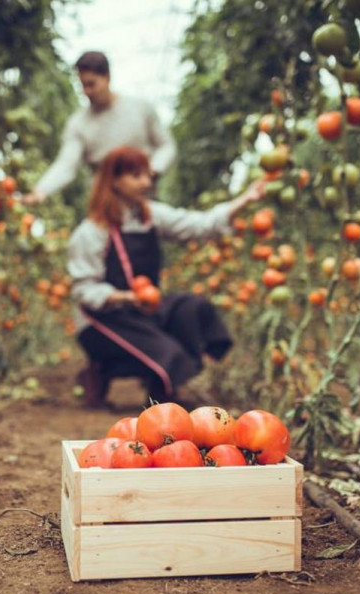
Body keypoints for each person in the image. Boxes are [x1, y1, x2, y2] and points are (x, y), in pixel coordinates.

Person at [67, 145, 266, 408]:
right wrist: (125, 297)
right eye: (136, 176)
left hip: (142, 309)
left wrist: (245, 200)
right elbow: (83, 290)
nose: (146, 182)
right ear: (113, 180)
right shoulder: (91, 232)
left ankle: (160, 389)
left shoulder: (150, 215)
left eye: (148, 175)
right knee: (166, 353)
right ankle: (101, 370)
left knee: (191, 308)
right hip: (103, 319)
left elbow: (198, 224)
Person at [23, 51, 176, 206]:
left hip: (145, 200)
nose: (87, 92)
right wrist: (41, 190)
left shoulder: (140, 109)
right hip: (106, 207)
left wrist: (152, 170)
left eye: (91, 84)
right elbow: (66, 164)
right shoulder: (79, 124)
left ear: (107, 78)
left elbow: (166, 146)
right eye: (83, 85)